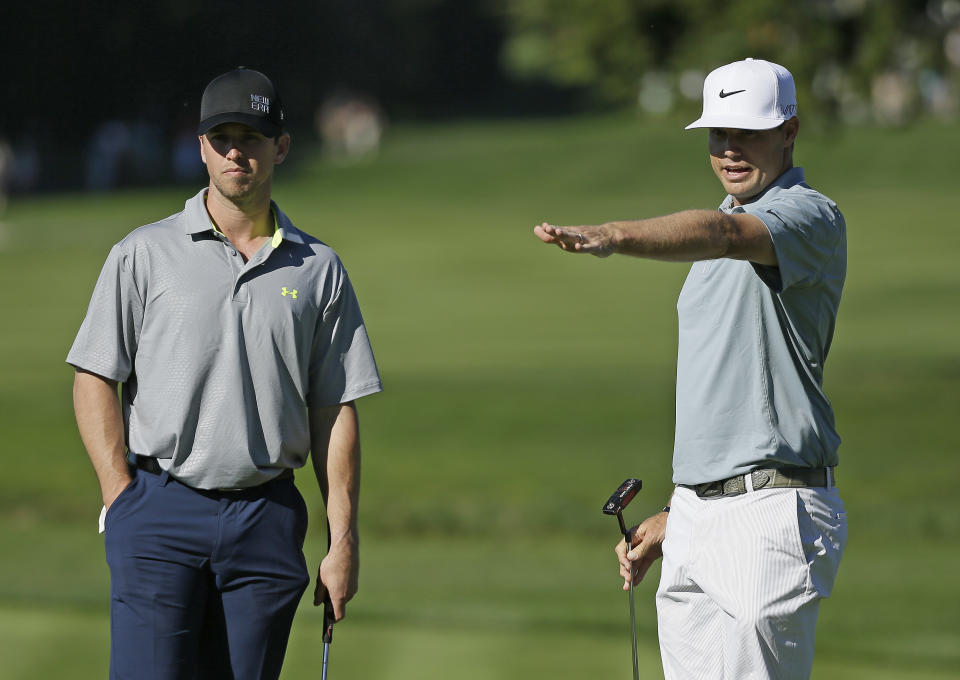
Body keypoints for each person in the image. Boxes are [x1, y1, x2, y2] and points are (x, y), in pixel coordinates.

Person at [534, 58, 847, 679]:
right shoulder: (716, 239)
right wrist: (680, 515)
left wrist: (614, 235)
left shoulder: (808, 216)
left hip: (771, 516)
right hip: (699, 519)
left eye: (748, 133)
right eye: (717, 135)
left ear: (789, 130)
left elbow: (724, 235)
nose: (730, 150)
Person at [67, 67, 382, 679]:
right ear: (202, 146)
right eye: (223, 137)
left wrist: (342, 540)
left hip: (266, 520)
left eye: (254, 136)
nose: (237, 150)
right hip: (158, 511)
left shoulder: (319, 268)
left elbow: (335, 406)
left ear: (281, 148)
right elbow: (94, 375)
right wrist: (118, 498)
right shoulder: (143, 253)